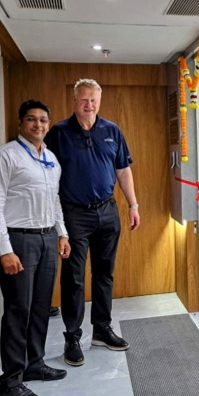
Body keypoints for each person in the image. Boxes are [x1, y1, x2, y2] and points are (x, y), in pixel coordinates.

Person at [44, 78, 140, 367]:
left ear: (100, 101)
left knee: (104, 273)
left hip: (108, 211)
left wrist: (133, 204)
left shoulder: (112, 131)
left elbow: (123, 170)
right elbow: (47, 176)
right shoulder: (58, 133)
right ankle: (72, 337)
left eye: (94, 100)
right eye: (84, 99)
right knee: (73, 277)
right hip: (74, 214)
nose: (89, 105)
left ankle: (101, 329)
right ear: (74, 101)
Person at [0, 100, 71, 396]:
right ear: (21, 123)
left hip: (47, 238)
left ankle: (34, 363)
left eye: (43, 120)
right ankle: (10, 382)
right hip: (19, 240)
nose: (38, 125)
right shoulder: (4, 156)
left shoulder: (50, 158)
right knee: (18, 310)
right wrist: (5, 250)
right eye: (32, 119)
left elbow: (54, 200)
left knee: (41, 307)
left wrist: (62, 233)